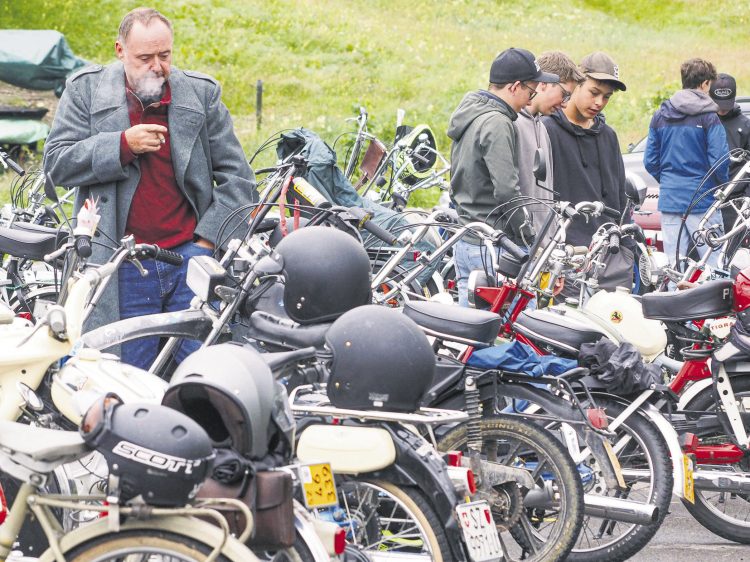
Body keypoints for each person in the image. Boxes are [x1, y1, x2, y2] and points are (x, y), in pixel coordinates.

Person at [44, 7, 258, 369]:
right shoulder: (86, 91)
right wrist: (122, 145)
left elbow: (239, 179)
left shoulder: (200, 95)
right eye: (144, 58)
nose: (156, 66)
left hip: (190, 263)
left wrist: (205, 244)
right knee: (128, 378)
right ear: (119, 50)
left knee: (197, 375)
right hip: (123, 264)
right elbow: (56, 165)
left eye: (164, 55)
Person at [448, 47, 558, 306]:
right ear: (515, 86)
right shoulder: (498, 123)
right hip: (494, 246)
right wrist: (528, 237)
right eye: (531, 92)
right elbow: (507, 192)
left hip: (468, 238)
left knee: (472, 331)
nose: (530, 100)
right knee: (517, 328)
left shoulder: (471, 115)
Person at [543, 52, 632, 292]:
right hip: (565, 256)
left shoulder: (609, 136)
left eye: (606, 97)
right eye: (594, 92)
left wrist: (626, 246)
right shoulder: (546, 129)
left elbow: (619, 197)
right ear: (576, 85)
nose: (599, 102)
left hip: (608, 255)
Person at [644, 58, 729, 268]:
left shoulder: (660, 115)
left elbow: (650, 161)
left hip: (671, 200)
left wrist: (670, 181)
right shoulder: (709, 117)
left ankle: (673, 298)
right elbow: (719, 161)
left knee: (673, 265)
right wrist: (721, 187)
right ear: (705, 84)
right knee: (714, 264)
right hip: (703, 200)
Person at [515, 51, 584, 236]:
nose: (564, 104)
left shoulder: (543, 128)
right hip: (519, 246)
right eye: (564, 94)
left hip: (542, 247)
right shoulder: (511, 124)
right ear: (543, 83)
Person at [710, 73, 750, 235]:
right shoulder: (704, 122)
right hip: (707, 201)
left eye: (727, 105)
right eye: (719, 104)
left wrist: (746, 198)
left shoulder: (745, 125)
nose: (723, 109)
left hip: (736, 202)